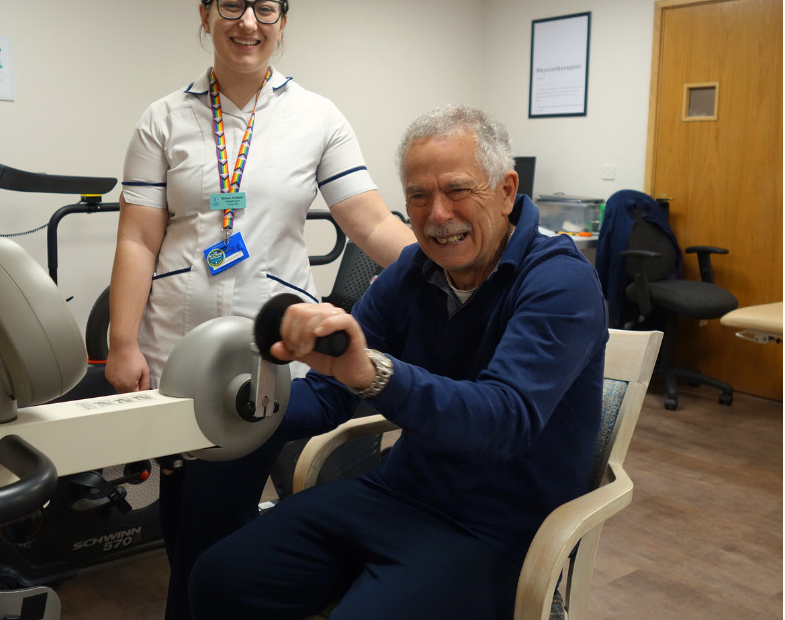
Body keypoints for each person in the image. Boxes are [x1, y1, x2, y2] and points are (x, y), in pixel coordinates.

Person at [189, 104, 609, 620]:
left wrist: (375, 373)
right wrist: (229, 413)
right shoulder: (411, 273)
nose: (437, 215)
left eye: (457, 190)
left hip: (496, 528)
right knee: (219, 575)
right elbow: (328, 396)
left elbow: (505, 418)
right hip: (399, 493)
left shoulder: (560, 282)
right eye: (418, 195)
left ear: (504, 191)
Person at [105, 0, 415, 619]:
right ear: (205, 13)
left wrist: (444, 267)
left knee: (217, 507)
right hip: (173, 347)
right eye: (232, 5)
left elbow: (366, 220)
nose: (248, 21)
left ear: (281, 21)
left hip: (266, 351)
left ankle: (199, 604)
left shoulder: (316, 117)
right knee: (184, 500)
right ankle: (200, 595)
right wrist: (121, 340)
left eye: (264, 8)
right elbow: (137, 237)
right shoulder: (162, 118)